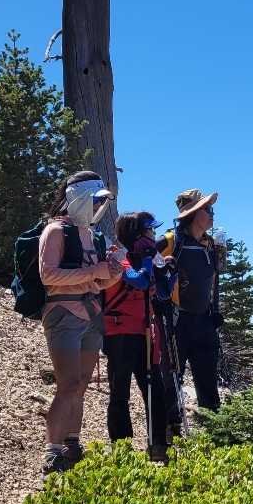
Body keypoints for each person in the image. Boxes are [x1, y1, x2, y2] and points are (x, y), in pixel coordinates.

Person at [38, 171, 123, 474]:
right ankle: (52, 451)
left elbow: (96, 282)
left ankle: (72, 443)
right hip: (63, 314)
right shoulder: (56, 231)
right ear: (79, 198)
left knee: (81, 385)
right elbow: (48, 275)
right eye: (95, 200)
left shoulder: (90, 234)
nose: (98, 206)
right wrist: (96, 271)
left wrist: (111, 272)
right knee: (68, 384)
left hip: (89, 314)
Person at [102, 211, 172, 461]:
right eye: (150, 231)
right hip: (120, 333)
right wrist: (147, 260)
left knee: (154, 389)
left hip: (145, 333)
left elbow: (163, 293)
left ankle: (158, 445)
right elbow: (139, 281)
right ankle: (122, 449)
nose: (154, 236)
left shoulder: (148, 257)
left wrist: (166, 268)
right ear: (138, 234)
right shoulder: (117, 257)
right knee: (120, 391)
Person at [160, 188, 225, 412]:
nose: (212, 213)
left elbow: (214, 278)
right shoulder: (171, 241)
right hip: (176, 321)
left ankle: (214, 429)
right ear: (193, 213)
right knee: (172, 379)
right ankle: (171, 431)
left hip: (205, 321)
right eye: (208, 209)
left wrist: (215, 311)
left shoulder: (209, 244)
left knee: (208, 380)